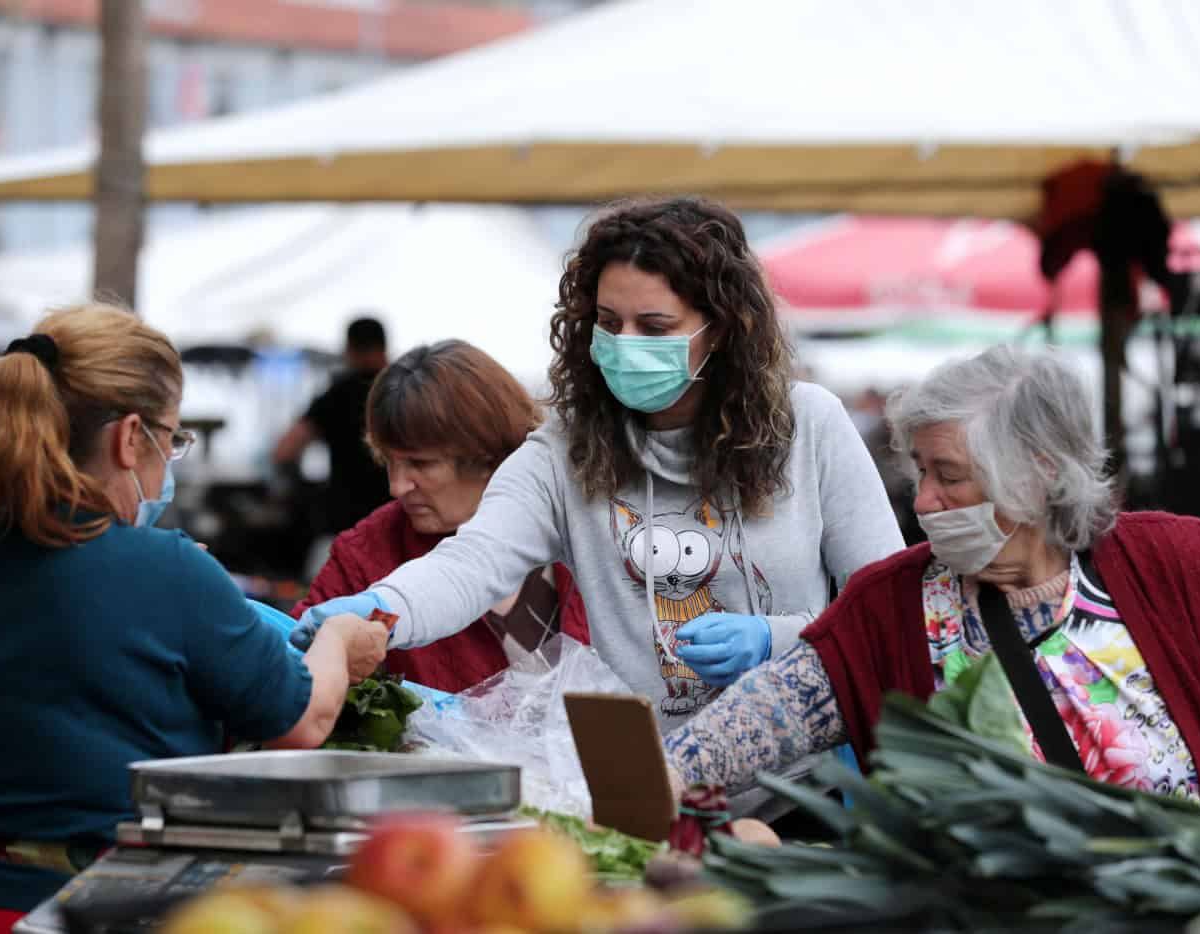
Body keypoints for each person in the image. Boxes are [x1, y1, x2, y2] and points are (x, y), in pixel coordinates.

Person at [291, 197, 904, 733]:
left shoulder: (810, 426)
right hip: (648, 781)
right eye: (609, 323)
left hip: (799, 784)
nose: (627, 343)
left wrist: (779, 637)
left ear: (721, 330)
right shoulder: (566, 450)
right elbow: (471, 564)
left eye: (655, 326)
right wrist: (379, 608)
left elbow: (891, 605)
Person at [0, 305, 389, 931]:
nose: (170, 461)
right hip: (79, 911)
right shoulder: (168, 568)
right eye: (172, 440)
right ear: (130, 437)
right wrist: (339, 638)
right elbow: (305, 719)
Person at [664, 344, 1200, 827]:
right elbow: (764, 719)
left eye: (950, 475)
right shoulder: (888, 609)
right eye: (920, 472)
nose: (925, 501)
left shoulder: (1172, 563)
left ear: (1039, 474)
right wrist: (658, 777)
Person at [293, 341, 590, 693]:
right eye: (388, 461)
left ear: (488, 454)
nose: (396, 486)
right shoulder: (365, 556)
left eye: (420, 464)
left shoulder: (589, 529)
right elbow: (290, 672)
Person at [273, 316, 391, 534]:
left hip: (349, 520)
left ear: (349, 349)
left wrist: (301, 490)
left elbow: (284, 451)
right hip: (401, 516)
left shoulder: (336, 395)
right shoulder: (406, 390)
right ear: (385, 347)